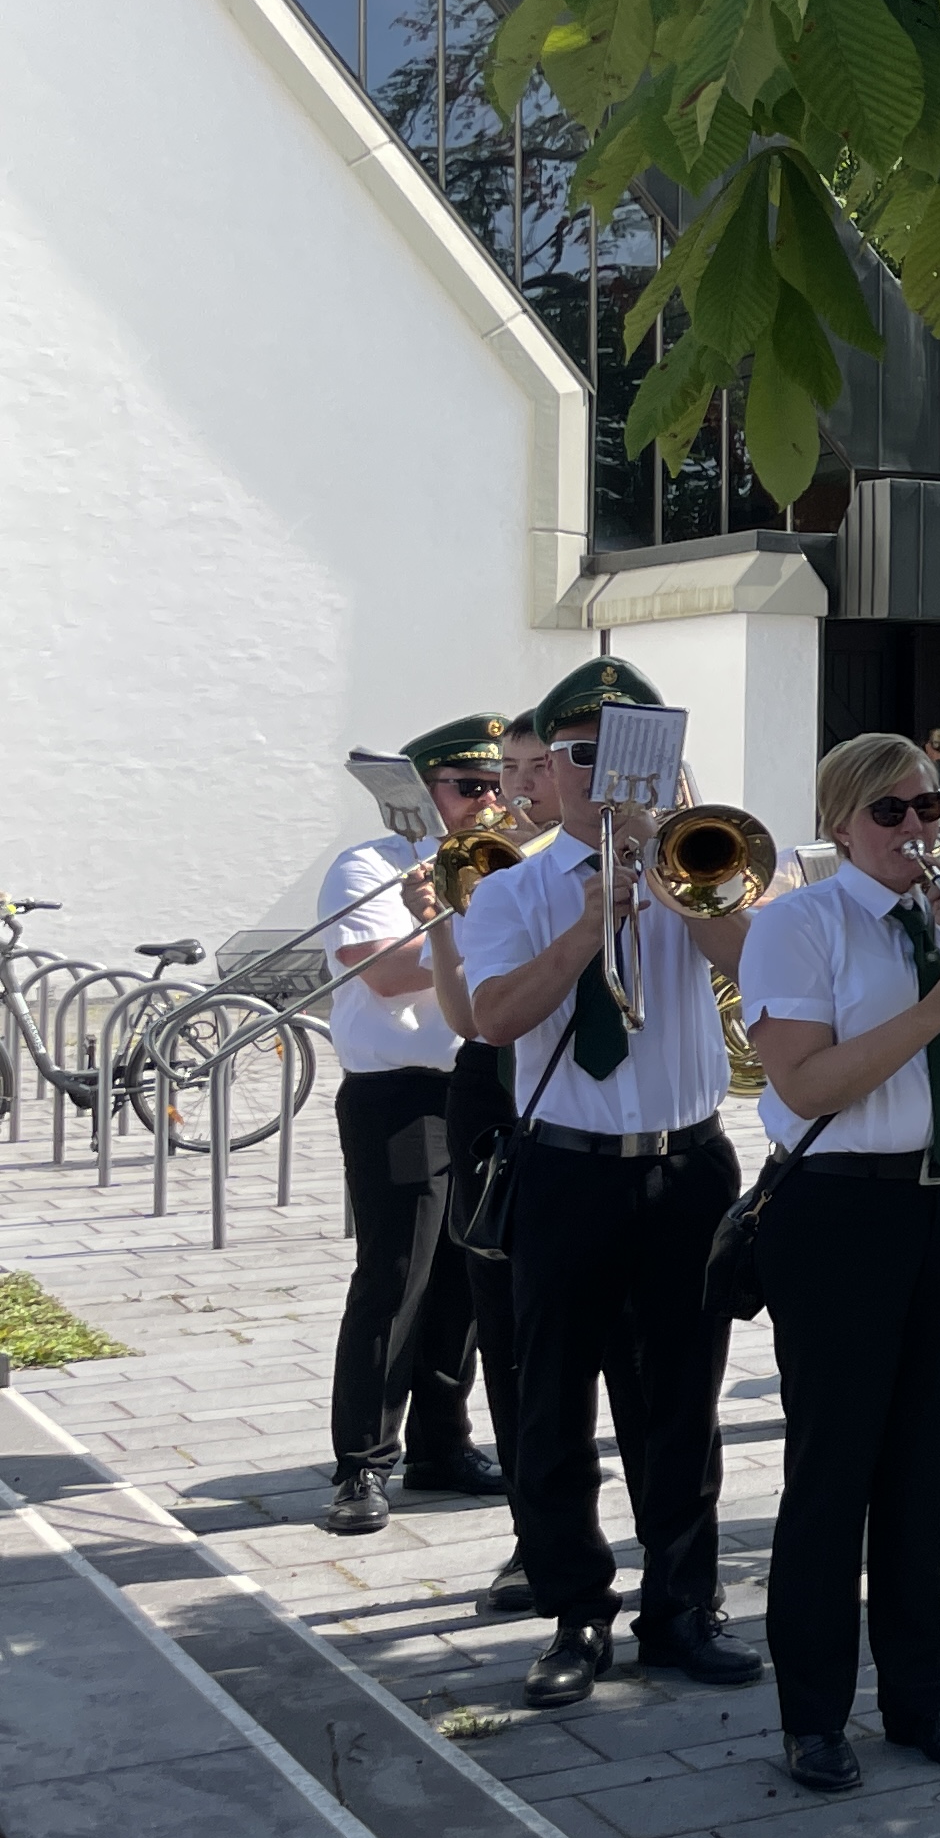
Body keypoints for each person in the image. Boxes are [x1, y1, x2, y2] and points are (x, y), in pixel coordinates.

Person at [738, 734, 940, 1793]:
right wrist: (937, 1007)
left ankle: (921, 1695)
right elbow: (807, 1084)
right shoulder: (797, 925)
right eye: (892, 812)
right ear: (841, 822)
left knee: (925, 1464)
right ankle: (814, 1714)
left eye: (929, 809)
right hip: (841, 1210)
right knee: (834, 1467)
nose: (917, 829)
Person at [456, 658, 760, 1710]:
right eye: (583, 757)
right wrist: (589, 925)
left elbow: (759, 966)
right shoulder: (512, 889)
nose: (606, 777)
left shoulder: (701, 867)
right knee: (551, 1406)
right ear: (550, 767)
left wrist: (672, 876)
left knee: (681, 1403)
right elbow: (494, 1017)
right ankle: (576, 1609)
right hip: (566, 1168)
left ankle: (683, 1606)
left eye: (634, 756)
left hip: (685, 1165)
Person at [320, 714, 518, 1538]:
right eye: (470, 787)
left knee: (465, 1277)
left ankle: (443, 1445)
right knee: (396, 1274)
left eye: (499, 786)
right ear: (422, 790)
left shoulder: (502, 864)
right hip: (398, 1091)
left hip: (476, 1085)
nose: (489, 802)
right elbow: (387, 973)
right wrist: (462, 924)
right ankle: (362, 1462)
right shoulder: (368, 866)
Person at [428, 717, 559, 1620]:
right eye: (506, 772)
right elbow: (466, 1020)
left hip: (592, 1109)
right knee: (508, 1334)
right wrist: (442, 922)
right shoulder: (489, 869)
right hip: (494, 1090)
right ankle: (533, 1536)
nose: (515, 791)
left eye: (532, 770)